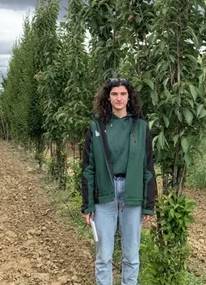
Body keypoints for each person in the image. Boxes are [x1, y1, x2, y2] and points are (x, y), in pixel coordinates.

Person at [81, 78, 156, 285]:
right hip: (104, 194)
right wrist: (87, 205)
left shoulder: (140, 127)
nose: (119, 98)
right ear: (108, 97)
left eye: (123, 94)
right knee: (104, 255)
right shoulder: (97, 127)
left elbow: (148, 167)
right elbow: (88, 168)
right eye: (114, 94)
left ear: (129, 97)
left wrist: (148, 205)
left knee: (131, 256)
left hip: (132, 194)